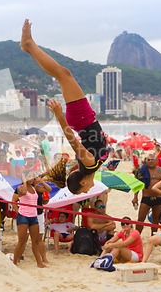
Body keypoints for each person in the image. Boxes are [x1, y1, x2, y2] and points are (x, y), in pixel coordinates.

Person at [21, 19, 108, 194]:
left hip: (82, 120)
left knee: (63, 74)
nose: (87, 191)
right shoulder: (91, 167)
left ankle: (29, 45)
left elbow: (72, 141)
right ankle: (29, 47)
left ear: (83, 183)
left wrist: (59, 115)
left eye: (83, 191)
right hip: (85, 120)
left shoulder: (88, 165)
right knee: (63, 74)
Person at [12, 170, 50, 268]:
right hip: (23, 215)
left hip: (33, 216)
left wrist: (41, 181)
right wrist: (24, 181)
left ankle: (39, 262)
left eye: (32, 177)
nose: (31, 178)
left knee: (36, 241)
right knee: (22, 241)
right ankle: (14, 262)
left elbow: (48, 189)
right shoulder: (20, 187)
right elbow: (23, 192)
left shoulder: (35, 187)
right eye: (29, 176)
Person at [132, 152, 161, 234]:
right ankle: (137, 236)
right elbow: (137, 185)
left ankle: (153, 236)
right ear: (146, 161)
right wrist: (135, 197)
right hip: (146, 197)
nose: (151, 161)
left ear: (156, 161)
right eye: (148, 160)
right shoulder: (142, 171)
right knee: (141, 218)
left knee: (156, 219)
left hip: (158, 198)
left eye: (152, 160)